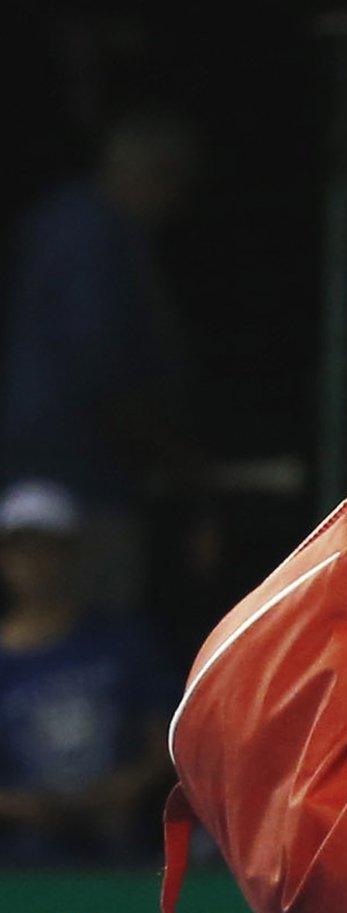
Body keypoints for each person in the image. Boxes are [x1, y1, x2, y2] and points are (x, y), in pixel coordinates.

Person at [1, 110, 202, 609]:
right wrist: (172, 455)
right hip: (73, 470)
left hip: (53, 460)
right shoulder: (91, 235)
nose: (174, 206)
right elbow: (100, 368)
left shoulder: (66, 223)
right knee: (80, 623)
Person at [0, 481, 178, 864]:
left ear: (72, 555)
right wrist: (20, 807)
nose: (35, 563)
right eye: (22, 550)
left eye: (49, 549)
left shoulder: (123, 643)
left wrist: (123, 789)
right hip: (16, 859)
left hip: (121, 846)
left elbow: (168, 738)